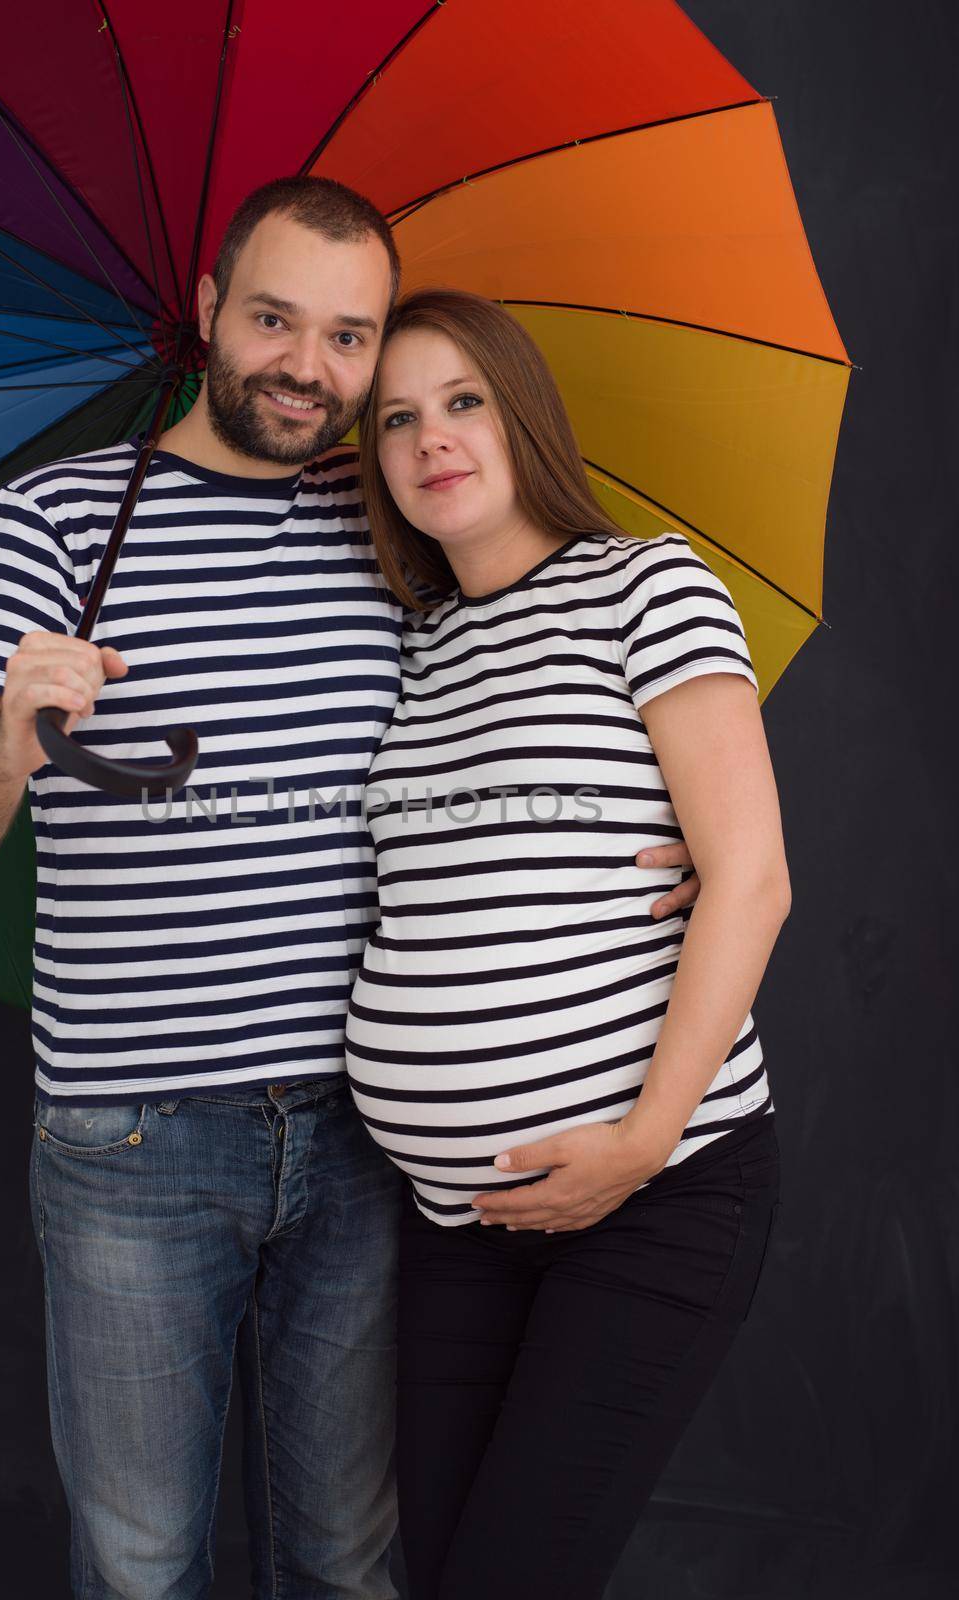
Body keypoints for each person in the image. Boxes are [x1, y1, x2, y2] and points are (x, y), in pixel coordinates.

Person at [0, 178, 701, 1600]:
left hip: (362, 1145)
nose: (307, 368)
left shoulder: (397, 512)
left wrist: (665, 824)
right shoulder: (58, 525)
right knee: (142, 1562)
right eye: (273, 319)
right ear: (207, 314)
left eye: (347, 336)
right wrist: (10, 741)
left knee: (348, 1555)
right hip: (131, 1140)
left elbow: (529, 701)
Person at [347, 288, 790, 1600]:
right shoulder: (413, 648)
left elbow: (754, 879)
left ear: (521, 413)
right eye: (398, 419)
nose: (434, 439)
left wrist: (646, 1136)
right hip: (455, 1221)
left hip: (654, 1189)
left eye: (464, 402)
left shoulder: (647, 583)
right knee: (446, 1574)